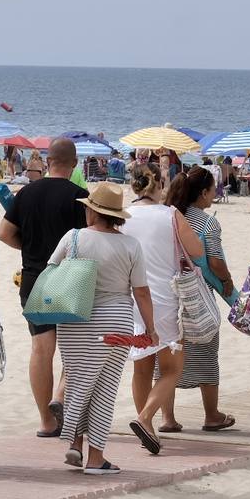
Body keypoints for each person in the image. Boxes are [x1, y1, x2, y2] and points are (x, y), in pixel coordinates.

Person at [48, 182, 156, 475]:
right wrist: (151, 327)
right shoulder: (130, 245)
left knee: (79, 380)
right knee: (104, 388)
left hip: (74, 318)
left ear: (94, 211)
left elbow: (52, 272)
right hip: (115, 320)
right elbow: (142, 292)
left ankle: (75, 443)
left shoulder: (73, 238)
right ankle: (95, 458)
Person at [0, 138, 87, 436]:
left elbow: (4, 233)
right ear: (74, 164)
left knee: (41, 349)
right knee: (74, 349)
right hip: (70, 276)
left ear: (47, 162)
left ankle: (46, 422)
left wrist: (29, 247)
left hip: (34, 277)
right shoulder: (80, 197)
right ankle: (59, 397)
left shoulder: (26, 193)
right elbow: (89, 241)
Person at [121, 166, 203, 454]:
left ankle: (150, 427)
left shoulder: (123, 215)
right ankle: (145, 418)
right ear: (159, 184)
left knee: (141, 367)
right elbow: (196, 250)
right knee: (171, 369)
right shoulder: (169, 214)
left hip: (132, 299)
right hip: (164, 299)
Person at [160, 165, 235, 432]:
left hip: (168, 292)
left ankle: (167, 419)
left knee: (167, 357)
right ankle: (212, 415)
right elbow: (215, 262)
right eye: (214, 189)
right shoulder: (207, 222)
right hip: (198, 295)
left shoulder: (167, 215)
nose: (215, 194)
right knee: (206, 352)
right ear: (203, 193)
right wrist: (227, 281)